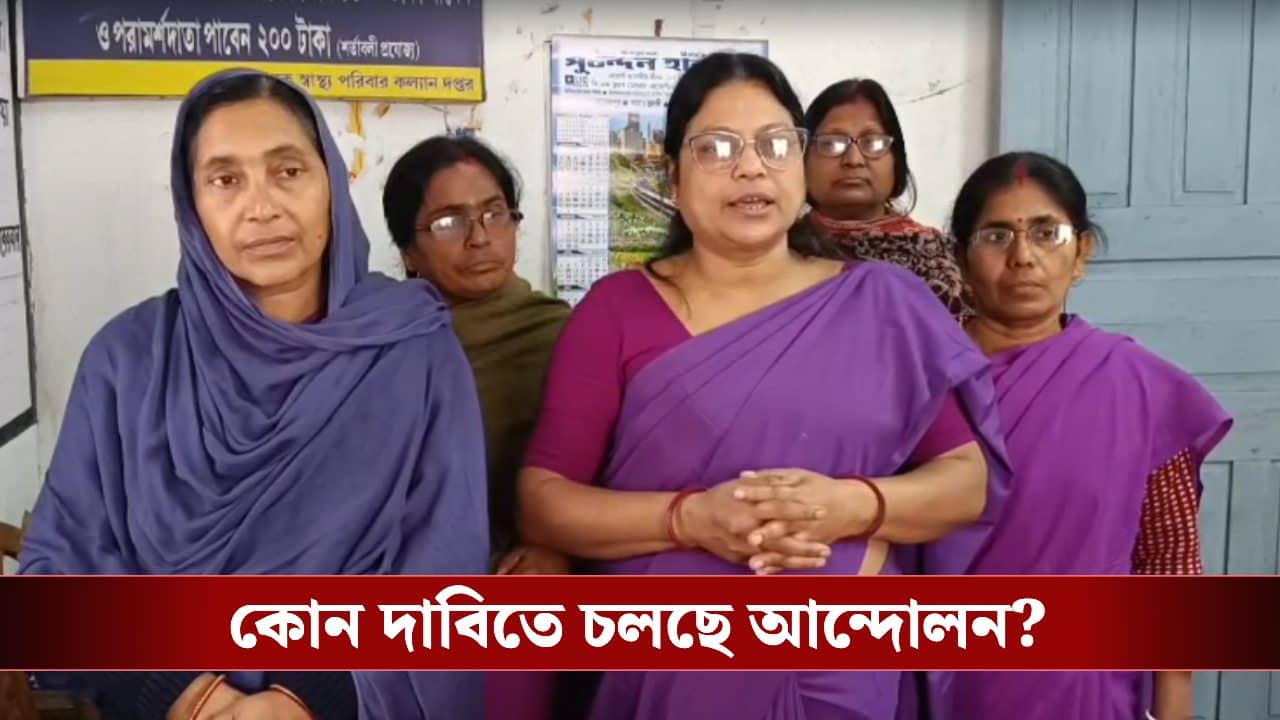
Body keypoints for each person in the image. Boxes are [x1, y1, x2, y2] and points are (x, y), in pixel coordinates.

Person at [517, 52, 1013, 720]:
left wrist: (851, 506)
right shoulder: (617, 311)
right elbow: (544, 502)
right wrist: (690, 520)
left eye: (775, 144)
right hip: (674, 678)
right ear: (672, 173)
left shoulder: (883, 304)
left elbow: (966, 480)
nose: (751, 167)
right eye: (717, 147)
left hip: (842, 678)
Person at [18, 70, 489, 720]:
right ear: (191, 204)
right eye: (225, 180)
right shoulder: (128, 359)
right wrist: (191, 697)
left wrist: (306, 698)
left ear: (331, 182)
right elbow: (59, 578)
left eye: (288, 171)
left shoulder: (413, 349)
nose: (262, 207)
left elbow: (444, 568)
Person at [937, 152, 1232, 720]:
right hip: (936, 685)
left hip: (1084, 691)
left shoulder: (1140, 387)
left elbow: (1168, 567)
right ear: (960, 258)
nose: (1023, 256)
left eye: (1047, 233)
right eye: (996, 235)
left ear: (1081, 254)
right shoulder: (921, 381)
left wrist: (1174, 706)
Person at [382, 135, 573, 720]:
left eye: (495, 214)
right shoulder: (375, 343)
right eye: (449, 222)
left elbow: (612, 466)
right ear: (408, 251)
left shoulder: (563, 335)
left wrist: (558, 547)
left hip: (526, 602)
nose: (480, 237)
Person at [800, 78, 971, 321]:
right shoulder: (779, 251)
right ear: (802, 158)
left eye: (873, 143)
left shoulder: (939, 257)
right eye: (832, 144)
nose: (854, 160)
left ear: (896, 159)